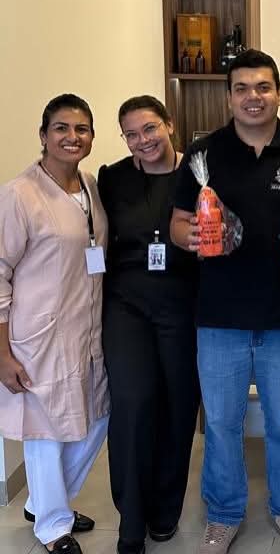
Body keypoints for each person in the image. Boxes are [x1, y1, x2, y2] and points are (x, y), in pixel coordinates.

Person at [170, 49, 280, 554]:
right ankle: (223, 514)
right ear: (229, 98)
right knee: (221, 423)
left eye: (263, 87)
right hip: (219, 316)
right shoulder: (204, 154)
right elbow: (177, 223)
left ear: (279, 93)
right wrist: (190, 236)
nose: (252, 97)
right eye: (241, 88)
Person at [0, 94, 109, 554]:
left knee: (97, 416)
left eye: (81, 129)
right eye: (61, 128)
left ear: (92, 137)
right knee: (45, 433)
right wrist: (2, 353)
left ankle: (46, 502)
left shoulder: (90, 186)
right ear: (43, 135)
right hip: (38, 334)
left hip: (87, 327)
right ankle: (52, 526)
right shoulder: (19, 194)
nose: (72, 137)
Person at [98, 96, 200, 554]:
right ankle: (131, 519)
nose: (143, 141)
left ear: (170, 125)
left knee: (179, 407)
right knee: (133, 402)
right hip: (127, 305)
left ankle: (165, 511)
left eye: (150, 129)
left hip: (183, 302)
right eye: (132, 134)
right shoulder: (113, 178)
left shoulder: (198, 172)